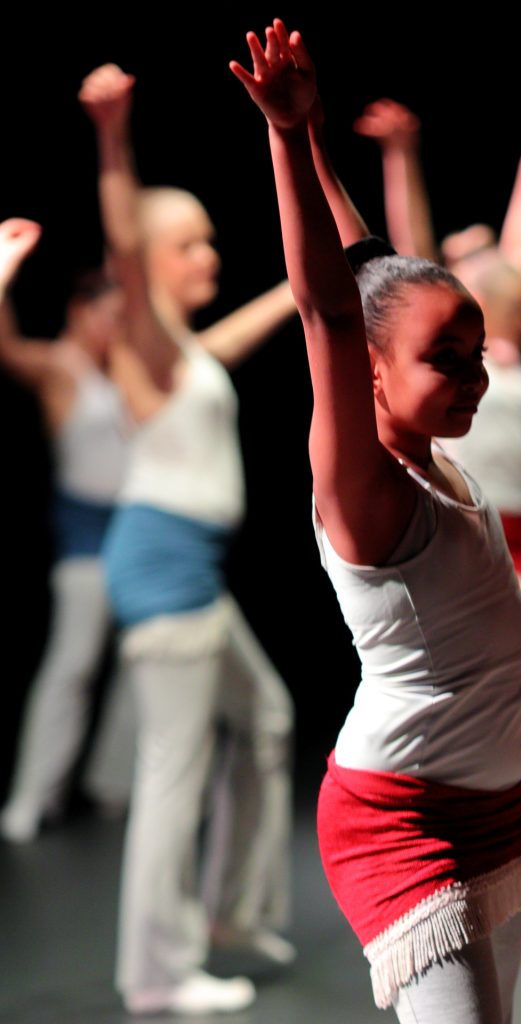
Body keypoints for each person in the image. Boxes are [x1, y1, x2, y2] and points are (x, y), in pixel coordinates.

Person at [232, 21, 521, 1023]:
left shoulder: (429, 453)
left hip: (502, 805)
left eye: (477, 351)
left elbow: (365, 267)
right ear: (371, 373)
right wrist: (285, 137)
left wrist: (321, 134)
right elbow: (332, 309)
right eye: (445, 359)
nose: (475, 376)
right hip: (405, 821)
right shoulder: (365, 486)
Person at [357, 98, 521, 866]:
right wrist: (401, 155)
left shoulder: (502, 341)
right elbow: (405, 247)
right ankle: (481, 825)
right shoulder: (443, 339)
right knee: (485, 694)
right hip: (472, 536)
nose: (473, 260)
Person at [80, 63, 296, 1015]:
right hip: (163, 565)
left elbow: (235, 341)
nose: (208, 254)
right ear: (152, 262)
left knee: (268, 720)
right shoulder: (148, 332)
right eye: (190, 243)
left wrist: (308, 281)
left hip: (189, 570)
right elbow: (121, 242)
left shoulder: (185, 354)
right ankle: (157, 976)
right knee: (177, 767)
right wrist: (113, 137)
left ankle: (234, 916)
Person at [0, 217, 134, 843]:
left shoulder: (123, 372)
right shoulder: (62, 365)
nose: (113, 329)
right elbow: (6, 349)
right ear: (81, 313)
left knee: (141, 664)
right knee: (74, 663)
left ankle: (113, 782)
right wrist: (5, 269)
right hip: (83, 538)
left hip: (133, 534)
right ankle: (31, 797)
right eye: (105, 316)